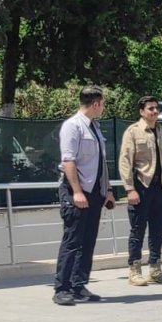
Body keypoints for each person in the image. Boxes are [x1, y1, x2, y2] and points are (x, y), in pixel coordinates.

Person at [53, 85, 115, 306]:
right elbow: (68, 161)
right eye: (103, 103)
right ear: (96, 103)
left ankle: (79, 285)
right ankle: (62, 288)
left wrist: (107, 190)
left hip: (95, 193)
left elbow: (101, 164)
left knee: (88, 241)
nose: (103, 107)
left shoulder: (94, 127)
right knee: (72, 240)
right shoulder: (73, 126)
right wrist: (77, 192)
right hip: (76, 192)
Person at [119, 95, 162, 287]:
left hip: (161, 188)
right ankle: (134, 270)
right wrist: (129, 189)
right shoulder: (133, 132)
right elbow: (125, 161)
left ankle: (155, 268)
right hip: (141, 188)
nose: (154, 112)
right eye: (150, 108)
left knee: (157, 231)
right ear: (142, 111)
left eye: (156, 108)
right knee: (138, 230)